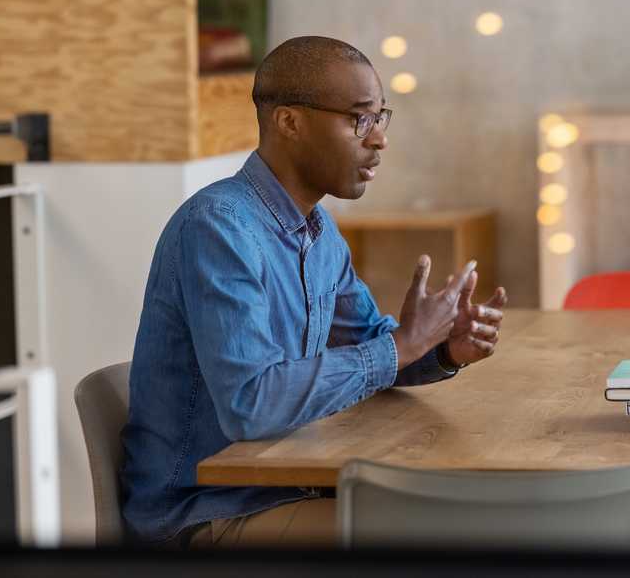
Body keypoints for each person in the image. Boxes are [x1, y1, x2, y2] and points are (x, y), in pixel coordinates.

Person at [120, 36, 507, 548]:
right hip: (209, 512)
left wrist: (440, 347)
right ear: (290, 122)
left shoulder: (318, 232)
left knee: (475, 513)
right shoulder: (218, 228)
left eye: (380, 117)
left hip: (292, 488)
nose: (379, 139)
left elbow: (371, 347)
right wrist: (402, 345)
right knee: (457, 534)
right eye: (359, 119)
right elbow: (250, 404)